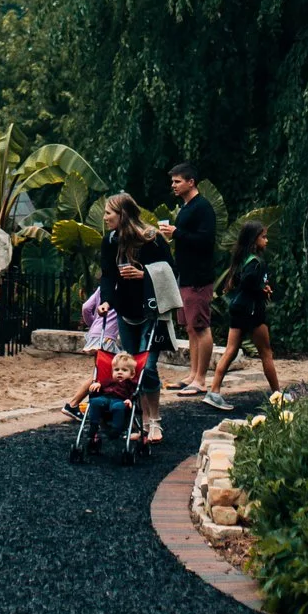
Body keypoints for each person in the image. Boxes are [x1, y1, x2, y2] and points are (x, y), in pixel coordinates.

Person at [97, 193, 165, 443]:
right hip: (125, 310)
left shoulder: (151, 238)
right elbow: (107, 275)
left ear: (123, 214)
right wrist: (106, 300)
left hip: (151, 310)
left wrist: (143, 274)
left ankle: (155, 420)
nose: (105, 217)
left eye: (109, 213)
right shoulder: (110, 241)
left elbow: (170, 270)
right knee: (132, 369)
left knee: (148, 367)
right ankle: (142, 421)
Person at [202, 218, 279, 408]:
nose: (266, 240)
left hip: (238, 308)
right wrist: (262, 290)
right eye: (263, 237)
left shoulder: (241, 260)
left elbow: (240, 282)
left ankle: (214, 391)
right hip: (251, 311)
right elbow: (248, 283)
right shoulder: (255, 263)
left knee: (231, 350)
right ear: (254, 239)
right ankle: (277, 395)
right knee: (266, 353)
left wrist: (260, 287)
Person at [160, 163, 219, 394]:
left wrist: (177, 233)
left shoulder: (202, 207)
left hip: (198, 277)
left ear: (191, 182)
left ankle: (201, 380)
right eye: (172, 182)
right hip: (185, 275)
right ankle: (193, 374)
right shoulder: (186, 207)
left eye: (177, 181)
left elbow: (206, 240)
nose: (173, 185)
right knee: (191, 328)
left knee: (201, 327)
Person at [79, 358, 137, 452]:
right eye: (116, 370)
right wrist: (98, 384)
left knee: (118, 407)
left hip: (121, 400)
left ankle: (116, 430)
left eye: (124, 370)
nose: (119, 372)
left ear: (132, 374)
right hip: (105, 398)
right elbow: (102, 386)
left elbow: (134, 394)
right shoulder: (109, 381)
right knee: (95, 401)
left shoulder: (130, 384)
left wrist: (129, 400)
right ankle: (94, 425)